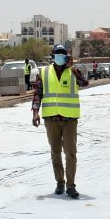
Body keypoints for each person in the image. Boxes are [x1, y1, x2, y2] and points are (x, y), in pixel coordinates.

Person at [32, 45, 89, 199]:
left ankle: (71, 185)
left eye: (63, 54)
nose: (60, 56)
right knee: (55, 153)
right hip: (51, 119)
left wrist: (73, 68)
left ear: (67, 57)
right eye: (57, 54)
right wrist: (35, 113)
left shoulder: (72, 71)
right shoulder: (43, 72)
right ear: (53, 56)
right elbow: (38, 94)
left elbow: (85, 83)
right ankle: (60, 182)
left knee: (71, 153)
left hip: (69, 119)